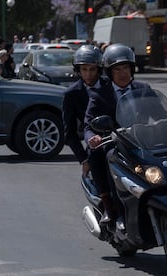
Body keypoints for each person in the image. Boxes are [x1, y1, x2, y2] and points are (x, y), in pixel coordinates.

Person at [84, 43, 167, 225]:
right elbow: (88, 123)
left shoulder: (143, 89)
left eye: (126, 68)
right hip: (114, 143)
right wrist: (93, 137)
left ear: (132, 69)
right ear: (110, 72)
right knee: (100, 155)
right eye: (118, 69)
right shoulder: (99, 94)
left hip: (141, 140)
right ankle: (109, 206)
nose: (123, 73)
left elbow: (160, 113)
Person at [61, 45, 112, 221]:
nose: (88, 74)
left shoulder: (110, 85)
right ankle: (108, 208)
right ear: (78, 70)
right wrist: (83, 159)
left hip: (119, 137)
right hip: (94, 142)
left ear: (99, 69)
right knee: (96, 160)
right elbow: (69, 133)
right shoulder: (71, 94)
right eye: (84, 69)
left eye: (92, 69)